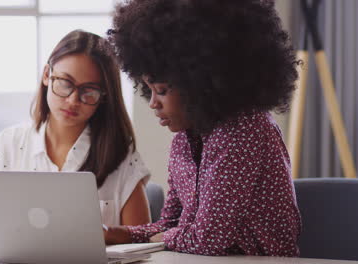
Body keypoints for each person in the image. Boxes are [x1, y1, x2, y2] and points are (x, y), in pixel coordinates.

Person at [104, 0, 302, 257]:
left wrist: (165, 236)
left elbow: (208, 239)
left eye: (162, 91)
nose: (153, 103)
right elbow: (173, 225)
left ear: (199, 83)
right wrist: (122, 233)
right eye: (149, 90)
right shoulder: (183, 141)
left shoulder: (245, 130)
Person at [0, 30, 151, 244]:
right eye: (65, 83)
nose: (72, 100)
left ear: (104, 97)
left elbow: (141, 244)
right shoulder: (9, 143)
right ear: (46, 76)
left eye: (89, 91)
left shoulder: (122, 157)